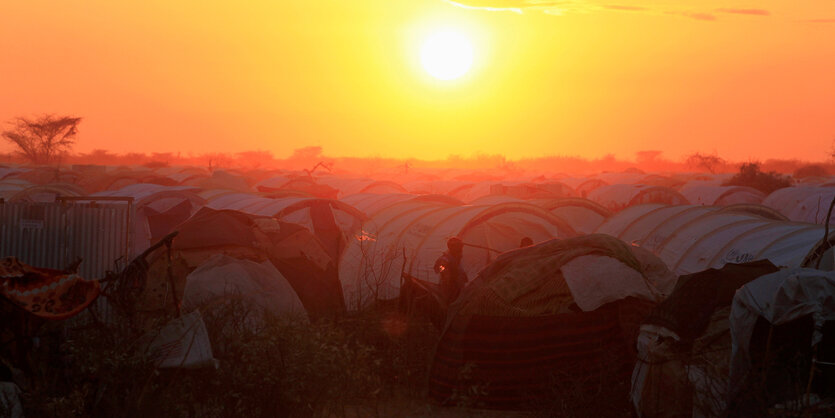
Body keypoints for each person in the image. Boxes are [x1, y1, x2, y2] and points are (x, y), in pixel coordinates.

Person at [434, 237, 468, 304]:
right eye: (459, 248)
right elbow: (439, 269)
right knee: (449, 303)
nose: (461, 250)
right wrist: (446, 274)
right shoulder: (445, 259)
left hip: (457, 286)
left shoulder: (456, 258)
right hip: (449, 287)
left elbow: (459, 269)